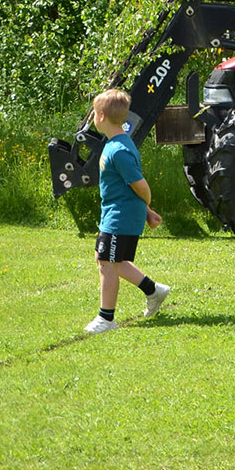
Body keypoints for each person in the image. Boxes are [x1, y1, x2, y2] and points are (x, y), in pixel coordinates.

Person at [84, 89, 169, 334]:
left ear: (100, 116)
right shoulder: (117, 144)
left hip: (119, 217)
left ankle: (106, 319)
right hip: (117, 213)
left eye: (93, 113)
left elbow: (140, 186)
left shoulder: (119, 150)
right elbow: (128, 187)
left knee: (107, 263)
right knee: (114, 261)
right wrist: (146, 211)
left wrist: (147, 205)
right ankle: (154, 291)